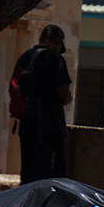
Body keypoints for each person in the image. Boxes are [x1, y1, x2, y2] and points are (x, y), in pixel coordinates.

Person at [12, 24, 73, 184]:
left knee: (28, 172)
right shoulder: (54, 59)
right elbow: (64, 94)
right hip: (50, 126)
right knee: (52, 175)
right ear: (57, 41)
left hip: (27, 124)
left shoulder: (25, 57)